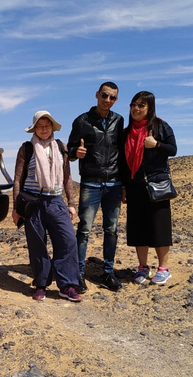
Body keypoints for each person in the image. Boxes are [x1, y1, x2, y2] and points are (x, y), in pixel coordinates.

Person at [12, 110, 82, 302]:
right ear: (34, 129)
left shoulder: (60, 147)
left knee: (68, 241)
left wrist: (71, 203)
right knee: (37, 245)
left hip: (56, 201)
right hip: (33, 202)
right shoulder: (27, 148)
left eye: (47, 125)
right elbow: (18, 179)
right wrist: (16, 208)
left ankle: (67, 285)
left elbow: (67, 177)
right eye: (40, 126)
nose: (43, 129)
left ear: (52, 127)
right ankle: (41, 284)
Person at [67, 82, 124, 293]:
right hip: (91, 182)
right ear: (97, 95)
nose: (107, 100)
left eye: (112, 97)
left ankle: (108, 273)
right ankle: (78, 273)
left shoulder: (119, 121)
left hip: (114, 183)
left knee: (111, 229)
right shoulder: (82, 121)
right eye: (105, 95)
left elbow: (122, 152)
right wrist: (76, 153)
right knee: (84, 229)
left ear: (116, 100)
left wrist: (124, 184)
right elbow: (70, 150)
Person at [119, 90, 178, 285]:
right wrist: (124, 186)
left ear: (150, 107)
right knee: (138, 228)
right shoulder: (126, 132)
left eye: (141, 105)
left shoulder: (160, 126)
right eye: (133, 104)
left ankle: (164, 268)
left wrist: (156, 144)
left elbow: (173, 149)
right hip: (135, 186)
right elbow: (123, 162)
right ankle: (143, 267)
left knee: (160, 227)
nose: (136, 108)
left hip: (156, 185)